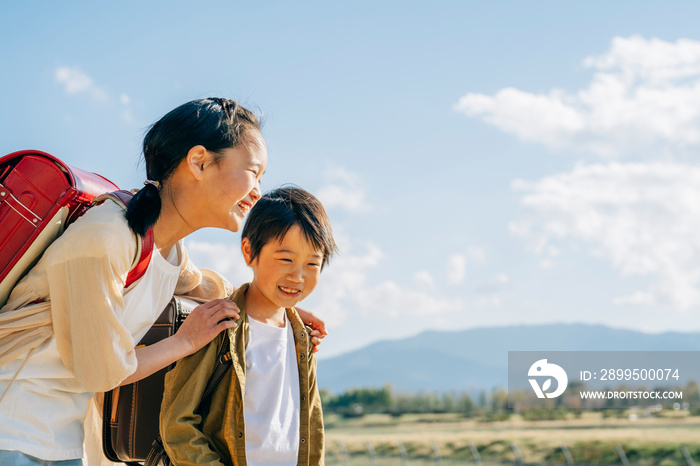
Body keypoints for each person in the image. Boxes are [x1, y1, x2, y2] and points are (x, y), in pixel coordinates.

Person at [0, 98, 325, 466]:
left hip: (58, 440)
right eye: (253, 172)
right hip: (13, 429)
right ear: (199, 161)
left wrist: (280, 311)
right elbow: (101, 372)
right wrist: (185, 341)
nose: (257, 192)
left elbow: (212, 290)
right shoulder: (105, 239)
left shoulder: (167, 251)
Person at [160, 186, 336, 466]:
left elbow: (311, 427)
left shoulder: (303, 337)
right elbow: (177, 424)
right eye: (286, 259)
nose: (298, 276)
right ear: (249, 251)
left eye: (313, 264)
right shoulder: (218, 326)